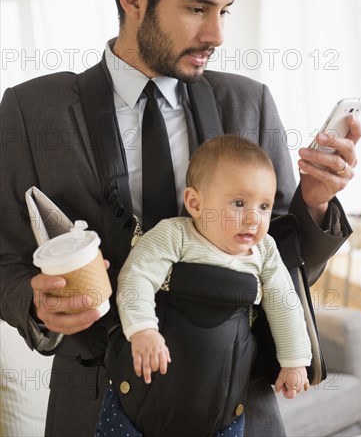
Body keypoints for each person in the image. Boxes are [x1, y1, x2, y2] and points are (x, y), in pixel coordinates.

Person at [0, 0, 361, 437]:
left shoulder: (251, 103)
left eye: (225, 10)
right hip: (94, 404)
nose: (217, 33)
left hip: (240, 405)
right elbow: (4, 258)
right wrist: (34, 303)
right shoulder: (31, 112)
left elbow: (282, 266)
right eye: (197, 8)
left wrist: (311, 203)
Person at [96, 136, 312, 437]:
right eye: (239, 203)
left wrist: (294, 361)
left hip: (222, 411)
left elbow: (284, 303)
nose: (253, 218)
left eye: (264, 206)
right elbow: (137, 276)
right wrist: (143, 329)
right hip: (142, 400)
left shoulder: (264, 251)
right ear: (195, 203)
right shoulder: (175, 235)